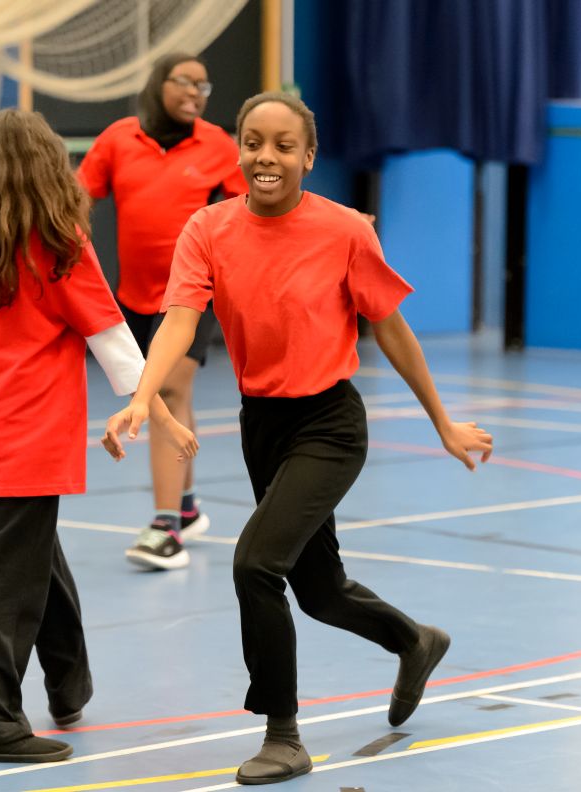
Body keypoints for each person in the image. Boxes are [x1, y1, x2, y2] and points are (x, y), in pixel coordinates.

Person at [103, 92, 493, 785]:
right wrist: (142, 397)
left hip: (329, 425)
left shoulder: (344, 230)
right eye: (253, 142)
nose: (266, 157)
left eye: (284, 146)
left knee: (256, 564)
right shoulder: (208, 229)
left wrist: (442, 420)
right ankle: (414, 641)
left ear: (309, 157)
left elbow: (391, 329)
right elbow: (181, 319)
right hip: (264, 425)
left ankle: (283, 735)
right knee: (318, 590)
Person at [0, 109, 195, 763]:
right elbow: (111, 337)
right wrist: (160, 409)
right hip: (33, 422)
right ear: (48, 168)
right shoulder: (60, 242)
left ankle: (69, 682)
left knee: (33, 541)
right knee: (13, 559)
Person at [79, 52, 245, 571]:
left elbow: (249, 214)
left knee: (166, 392)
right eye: (186, 81)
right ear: (159, 83)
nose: (196, 91)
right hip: (134, 294)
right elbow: (78, 197)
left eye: (204, 84)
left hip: (196, 294)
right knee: (175, 397)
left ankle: (164, 527)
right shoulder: (118, 139)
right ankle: (189, 508)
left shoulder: (218, 145)